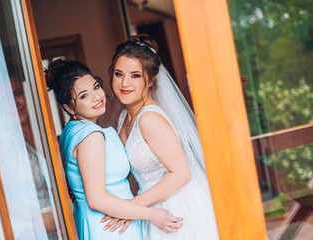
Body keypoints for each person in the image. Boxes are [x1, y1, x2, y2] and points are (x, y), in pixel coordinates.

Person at [45, 59, 183, 240]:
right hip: (109, 226)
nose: (96, 97)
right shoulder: (90, 135)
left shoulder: (71, 131)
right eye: (84, 96)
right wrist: (151, 214)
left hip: (100, 221)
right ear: (69, 107)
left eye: (96, 87)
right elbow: (96, 199)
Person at [103, 35, 219, 239]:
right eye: (119, 74)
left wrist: (130, 208)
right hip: (151, 207)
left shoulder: (149, 119)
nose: (124, 83)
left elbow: (182, 173)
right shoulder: (124, 116)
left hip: (178, 207)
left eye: (135, 75)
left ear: (150, 80)